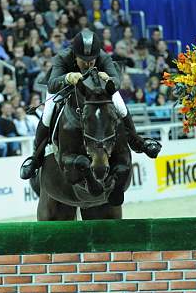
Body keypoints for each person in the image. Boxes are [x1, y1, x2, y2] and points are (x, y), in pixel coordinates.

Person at [19, 29, 162, 180]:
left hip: (96, 91)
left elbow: (117, 82)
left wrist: (109, 79)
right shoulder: (63, 57)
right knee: (47, 114)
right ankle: (36, 158)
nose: (88, 63)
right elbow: (53, 84)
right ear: (75, 54)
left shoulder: (103, 57)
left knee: (119, 105)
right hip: (64, 88)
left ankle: (137, 141)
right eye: (83, 60)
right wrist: (67, 77)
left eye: (91, 60)